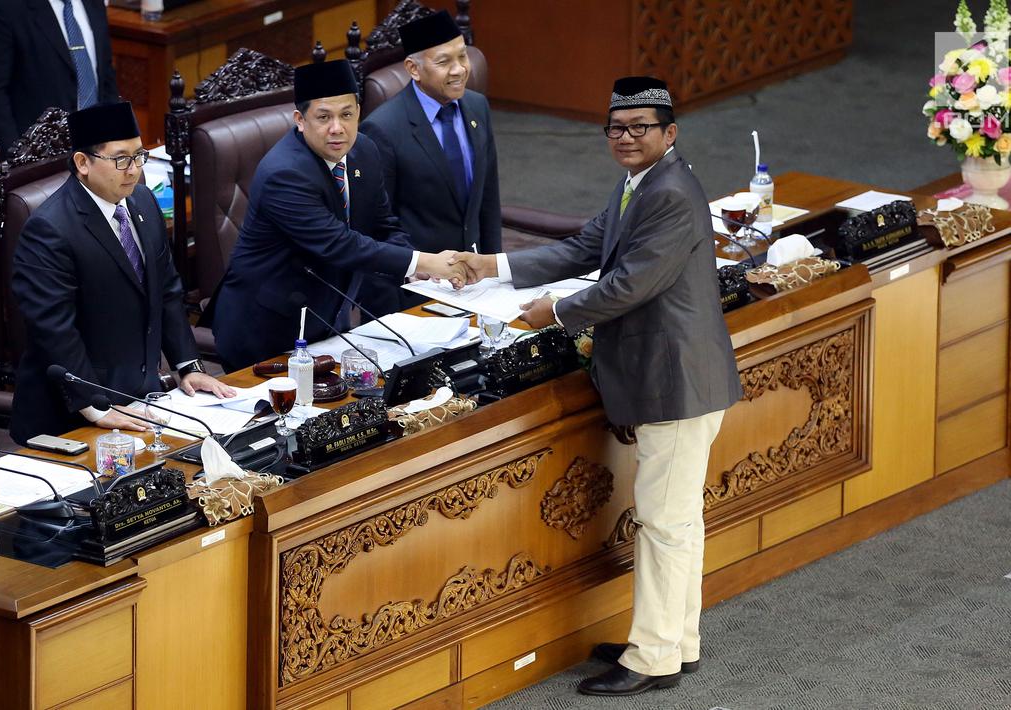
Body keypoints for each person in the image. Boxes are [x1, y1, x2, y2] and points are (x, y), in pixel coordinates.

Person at [451, 77, 743, 698]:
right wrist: (494, 266)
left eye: (641, 128)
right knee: (677, 521)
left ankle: (654, 655)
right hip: (675, 376)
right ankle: (674, 640)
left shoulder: (669, 192)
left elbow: (629, 285)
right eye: (617, 128)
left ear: (670, 132)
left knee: (666, 523)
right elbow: (589, 245)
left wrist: (552, 312)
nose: (627, 138)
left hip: (675, 381)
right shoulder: (644, 181)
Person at [208, 59, 465, 371]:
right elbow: (339, 245)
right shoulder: (284, 173)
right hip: (264, 328)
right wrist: (423, 260)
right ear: (300, 120)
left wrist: (414, 268)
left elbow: (382, 225)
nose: (337, 128)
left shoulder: (365, 151)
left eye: (347, 115)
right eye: (323, 117)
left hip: (326, 318)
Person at [9, 101, 233, 444]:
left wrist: (188, 365)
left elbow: (168, 291)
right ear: (82, 163)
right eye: (121, 159)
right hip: (71, 418)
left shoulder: (143, 202)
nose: (134, 170)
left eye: (139, 156)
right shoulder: (50, 229)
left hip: (140, 401)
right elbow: (53, 330)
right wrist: (97, 407)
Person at [359, 10, 500, 311]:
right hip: (414, 293)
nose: (459, 69)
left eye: (463, 57)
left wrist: (494, 272)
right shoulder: (382, 129)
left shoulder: (477, 107)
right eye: (444, 61)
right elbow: (377, 226)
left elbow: (488, 199)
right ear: (414, 68)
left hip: (475, 284)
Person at [0, 0, 117, 179]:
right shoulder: (4, 6)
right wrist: (22, 165)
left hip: (96, 161)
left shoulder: (94, 4)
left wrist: (117, 143)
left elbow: (106, 77)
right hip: (33, 170)